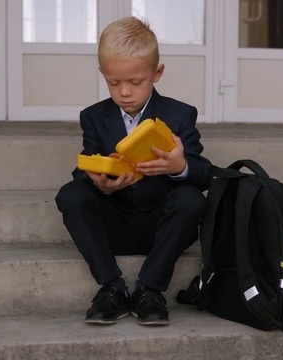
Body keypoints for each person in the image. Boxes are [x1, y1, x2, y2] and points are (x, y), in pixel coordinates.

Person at [55, 16, 212, 326]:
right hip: (113, 222)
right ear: (104, 75)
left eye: (135, 82)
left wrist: (179, 166)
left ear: (157, 73)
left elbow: (205, 176)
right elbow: (86, 165)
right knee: (70, 195)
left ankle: (149, 289)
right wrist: (101, 184)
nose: (124, 92)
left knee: (191, 200)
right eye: (114, 83)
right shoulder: (94, 117)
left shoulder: (179, 114)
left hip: (160, 227)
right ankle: (111, 287)